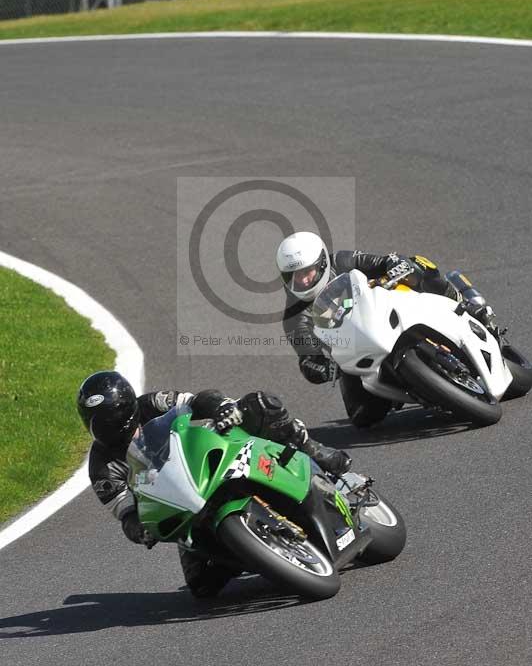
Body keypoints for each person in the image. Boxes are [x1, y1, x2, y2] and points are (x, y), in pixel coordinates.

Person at [78, 370, 352, 597]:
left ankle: (312, 450)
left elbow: (196, 401)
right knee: (201, 586)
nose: (106, 427)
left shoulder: (151, 403)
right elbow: (125, 513)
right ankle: (255, 551)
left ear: (128, 406)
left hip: (204, 461)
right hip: (181, 506)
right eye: (96, 422)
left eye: (111, 417)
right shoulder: (102, 467)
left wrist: (221, 408)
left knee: (259, 404)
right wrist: (140, 531)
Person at [276, 231, 496, 427]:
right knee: (362, 416)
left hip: (383, 310)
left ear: (322, 263)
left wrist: (396, 267)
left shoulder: (341, 261)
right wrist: (321, 367)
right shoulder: (294, 316)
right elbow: (307, 356)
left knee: (419, 265)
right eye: (294, 276)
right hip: (354, 352)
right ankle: (413, 388)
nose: (303, 280)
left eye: (308, 272)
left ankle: (465, 304)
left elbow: (384, 261)